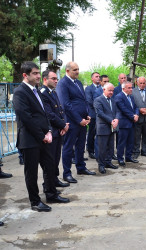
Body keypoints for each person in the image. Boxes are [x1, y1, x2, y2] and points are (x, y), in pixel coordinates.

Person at [13, 61, 70, 212]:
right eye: (35, 73)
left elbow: (45, 114)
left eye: (39, 73)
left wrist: (50, 131)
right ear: (25, 75)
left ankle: (51, 194)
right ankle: (35, 201)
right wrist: (42, 135)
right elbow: (26, 118)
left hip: (44, 137)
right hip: (30, 139)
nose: (38, 76)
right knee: (31, 173)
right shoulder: (20, 92)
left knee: (50, 165)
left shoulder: (36, 90)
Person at [56, 62, 96, 184]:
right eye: (75, 70)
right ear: (67, 71)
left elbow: (84, 101)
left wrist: (87, 114)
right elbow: (66, 105)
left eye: (78, 69)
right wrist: (79, 119)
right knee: (68, 147)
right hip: (72, 122)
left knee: (80, 146)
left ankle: (81, 167)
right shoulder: (63, 84)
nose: (77, 72)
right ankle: (67, 173)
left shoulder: (78, 83)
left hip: (83, 121)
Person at [40, 70, 70, 188]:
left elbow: (60, 110)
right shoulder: (43, 93)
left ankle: (54, 179)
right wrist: (63, 125)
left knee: (56, 158)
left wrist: (64, 124)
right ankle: (49, 184)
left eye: (56, 78)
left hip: (58, 130)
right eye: (53, 78)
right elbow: (49, 114)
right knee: (50, 160)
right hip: (51, 131)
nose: (56, 80)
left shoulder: (53, 92)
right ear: (45, 79)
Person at [93, 83, 118, 174]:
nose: (111, 92)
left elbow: (116, 111)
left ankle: (108, 162)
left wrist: (116, 120)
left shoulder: (113, 100)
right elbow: (100, 113)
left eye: (112, 90)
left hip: (112, 127)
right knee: (102, 148)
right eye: (109, 90)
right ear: (104, 90)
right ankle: (101, 165)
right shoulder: (98, 100)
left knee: (110, 146)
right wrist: (111, 120)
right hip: (103, 127)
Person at [115, 81, 139, 166]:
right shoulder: (119, 97)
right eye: (129, 88)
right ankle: (120, 158)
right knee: (122, 142)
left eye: (131, 87)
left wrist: (136, 114)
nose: (131, 89)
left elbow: (136, 107)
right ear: (123, 88)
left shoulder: (131, 97)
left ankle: (128, 157)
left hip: (132, 123)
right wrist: (133, 116)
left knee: (130, 141)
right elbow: (123, 109)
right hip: (124, 123)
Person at [84, 72, 101, 159]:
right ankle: (91, 151)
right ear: (92, 79)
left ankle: (98, 150)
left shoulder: (102, 88)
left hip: (101, 114)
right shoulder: (88, 88)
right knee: (91, 133)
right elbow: (89, 101)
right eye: (96, 76)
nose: (98, 78)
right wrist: (99, 106)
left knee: (99, 133)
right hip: (93, 114)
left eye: (99, 76)